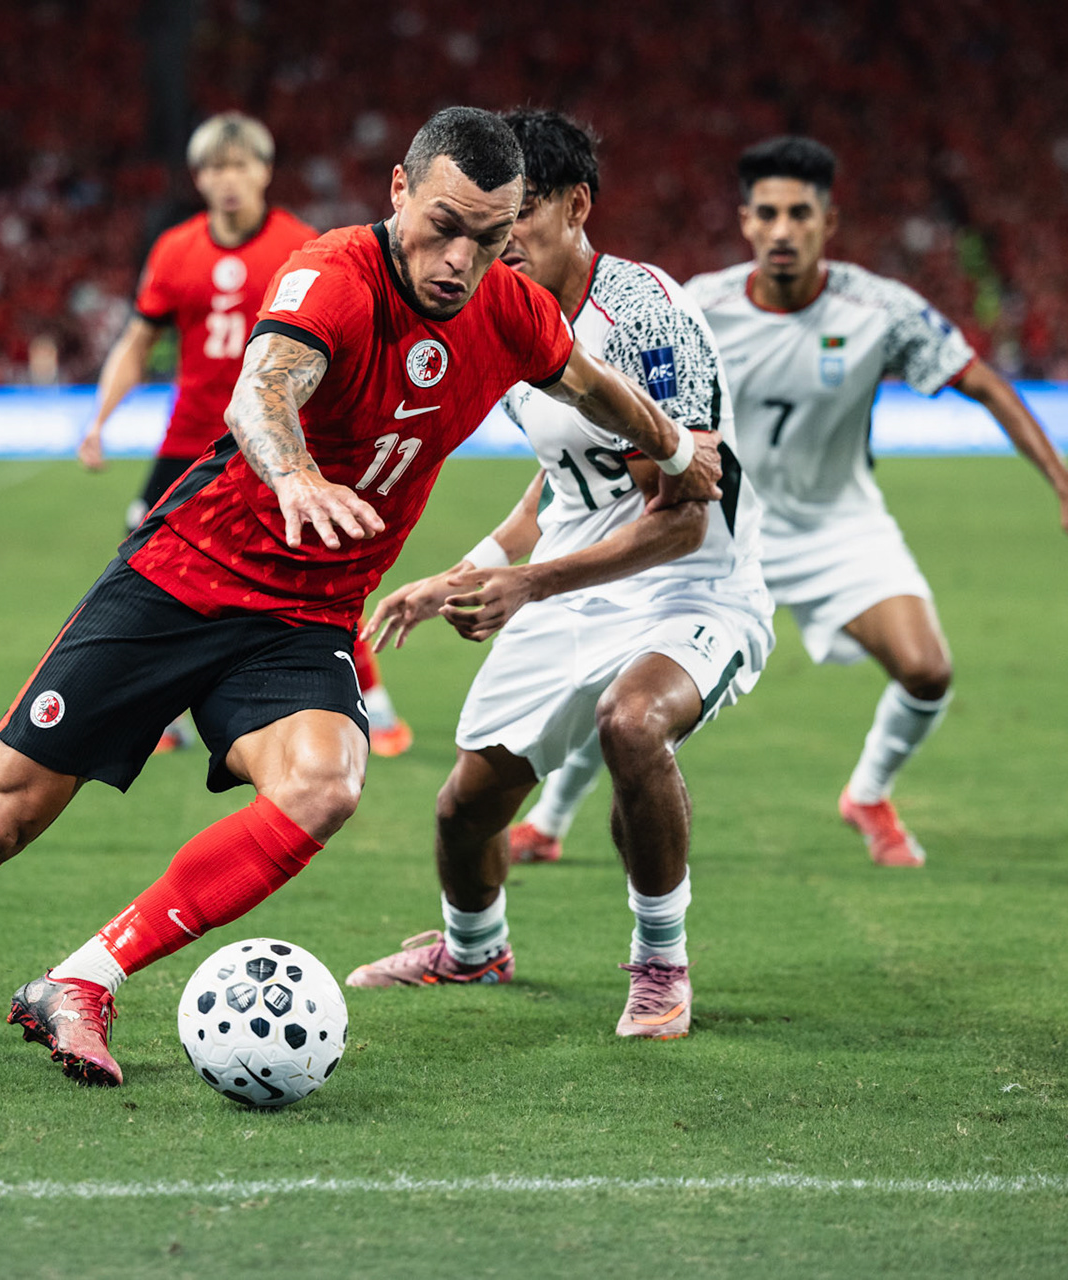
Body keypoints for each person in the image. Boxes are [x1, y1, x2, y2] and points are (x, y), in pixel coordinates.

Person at [0, 107, 722, 1085]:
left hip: (300, 618)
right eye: (445, 224)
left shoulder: (510, 311)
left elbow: (591, 384)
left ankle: (84, 976)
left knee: (328, 781)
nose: (462, 258)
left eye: (492, 237)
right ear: (399, 192)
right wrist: (293, 474)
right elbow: (262, 389)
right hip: (180, 580)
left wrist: (678, 448)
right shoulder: (336, 273)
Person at [508, 135, 1068, 869]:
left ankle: (868, 793)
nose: (782, 230)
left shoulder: (880, 309)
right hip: (719, 522)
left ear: (827, 224)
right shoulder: (691, 305)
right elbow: (602, 427)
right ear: (744, 221)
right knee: (622, 679)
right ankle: (550, 818)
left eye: (800, 214)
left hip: (839, 526)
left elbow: (983, 382)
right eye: (766, 213)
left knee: (928, 670)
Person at [345, 111, 771, 1041]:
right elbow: (561, 481)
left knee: (632, 723)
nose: (493, 248)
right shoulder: (504, 316)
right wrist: (468, 570)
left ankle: (661, 964)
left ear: (578, 207)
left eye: (516, 221)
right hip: (573, 584)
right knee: (466, 807)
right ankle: (472, 951)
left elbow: (683, 519)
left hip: (692, 587)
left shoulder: (646, 314)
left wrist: (526, 588)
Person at [76, 111, 414, 757]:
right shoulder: (175, 250)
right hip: (187, 442)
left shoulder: (301, 245)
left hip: (275, 440)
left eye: (241, 165)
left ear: (264, 171)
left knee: (312, 572)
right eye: (215, 168)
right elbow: (138, 339)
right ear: (198, 178)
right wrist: (99, 421)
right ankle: (164, 716)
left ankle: (375, 705)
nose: (229, 179)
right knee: (148, 570)